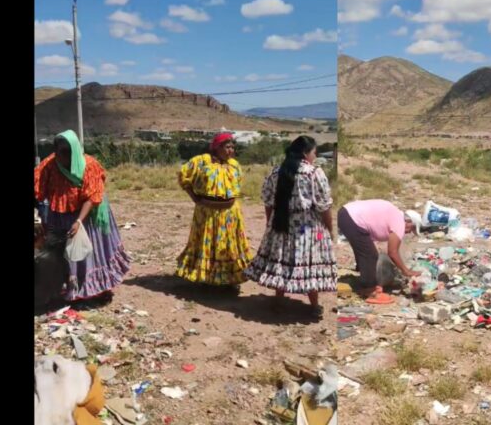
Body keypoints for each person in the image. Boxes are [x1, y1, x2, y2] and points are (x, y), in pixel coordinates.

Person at [34, 130, 130, 306]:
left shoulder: (89, 165)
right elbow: (37, 188)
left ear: (76, 151)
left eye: (67, 153)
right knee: (64, 254)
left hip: (88, 215)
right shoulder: (50, 165)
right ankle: (69, 288)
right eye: (59, 152)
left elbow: (91, 197)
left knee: (88, 252)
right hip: (60, 214)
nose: (63, 158)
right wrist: (37, 216)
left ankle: (92, 289)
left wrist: (78, 222)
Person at [244, 136, 336, 317]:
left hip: (281, 225)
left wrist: (270, 224)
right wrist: (329, 229)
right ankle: (314, 306)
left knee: (281, 260)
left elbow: (268, 200)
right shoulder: (314, 173)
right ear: (305, 153)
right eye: (314, 153)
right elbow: (324, 205)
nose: (315, 156)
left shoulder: (276, 171)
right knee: (310, 263)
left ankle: (278, 302)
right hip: (309, 229)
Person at [176, 133, 251, 293]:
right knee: (207, 244)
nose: (230, 150)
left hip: (229, 214)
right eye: (227, 147)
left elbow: (237, 186)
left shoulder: (234, 165)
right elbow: (183, 176)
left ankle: (229, 280)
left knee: (227, 246)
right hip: (207, 214)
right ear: (216, 147)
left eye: (232, 147)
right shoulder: (201, 161)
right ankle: (206, 279)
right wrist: (194, 198)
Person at [337, 200, 421, 303]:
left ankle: (363, 279)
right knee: (370, 255)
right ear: (408, 221)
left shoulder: (394, 215)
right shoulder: (400, 222)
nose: (408, 232)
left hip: (345, 213)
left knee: (365, 249)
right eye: (411, 229)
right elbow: (392, 252)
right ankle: (370, 292)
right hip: (352, 217)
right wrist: (406, 271)